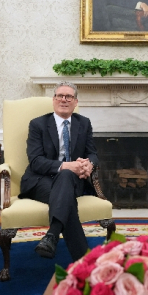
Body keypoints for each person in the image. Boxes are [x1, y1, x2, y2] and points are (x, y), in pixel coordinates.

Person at [21, 82, 98, 261]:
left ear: (75, 102)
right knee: (67, 198)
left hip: (73, 181)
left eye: (69, 96)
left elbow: (92, 153)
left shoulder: (84, 123)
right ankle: (85, 262)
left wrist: (89, 164)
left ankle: (52, 235)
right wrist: (65, 166)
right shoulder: (38, 124)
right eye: (60, 96)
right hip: (41, 181)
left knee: (65, 179)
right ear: (54, 100)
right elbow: (35, 161)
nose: (64, 99)